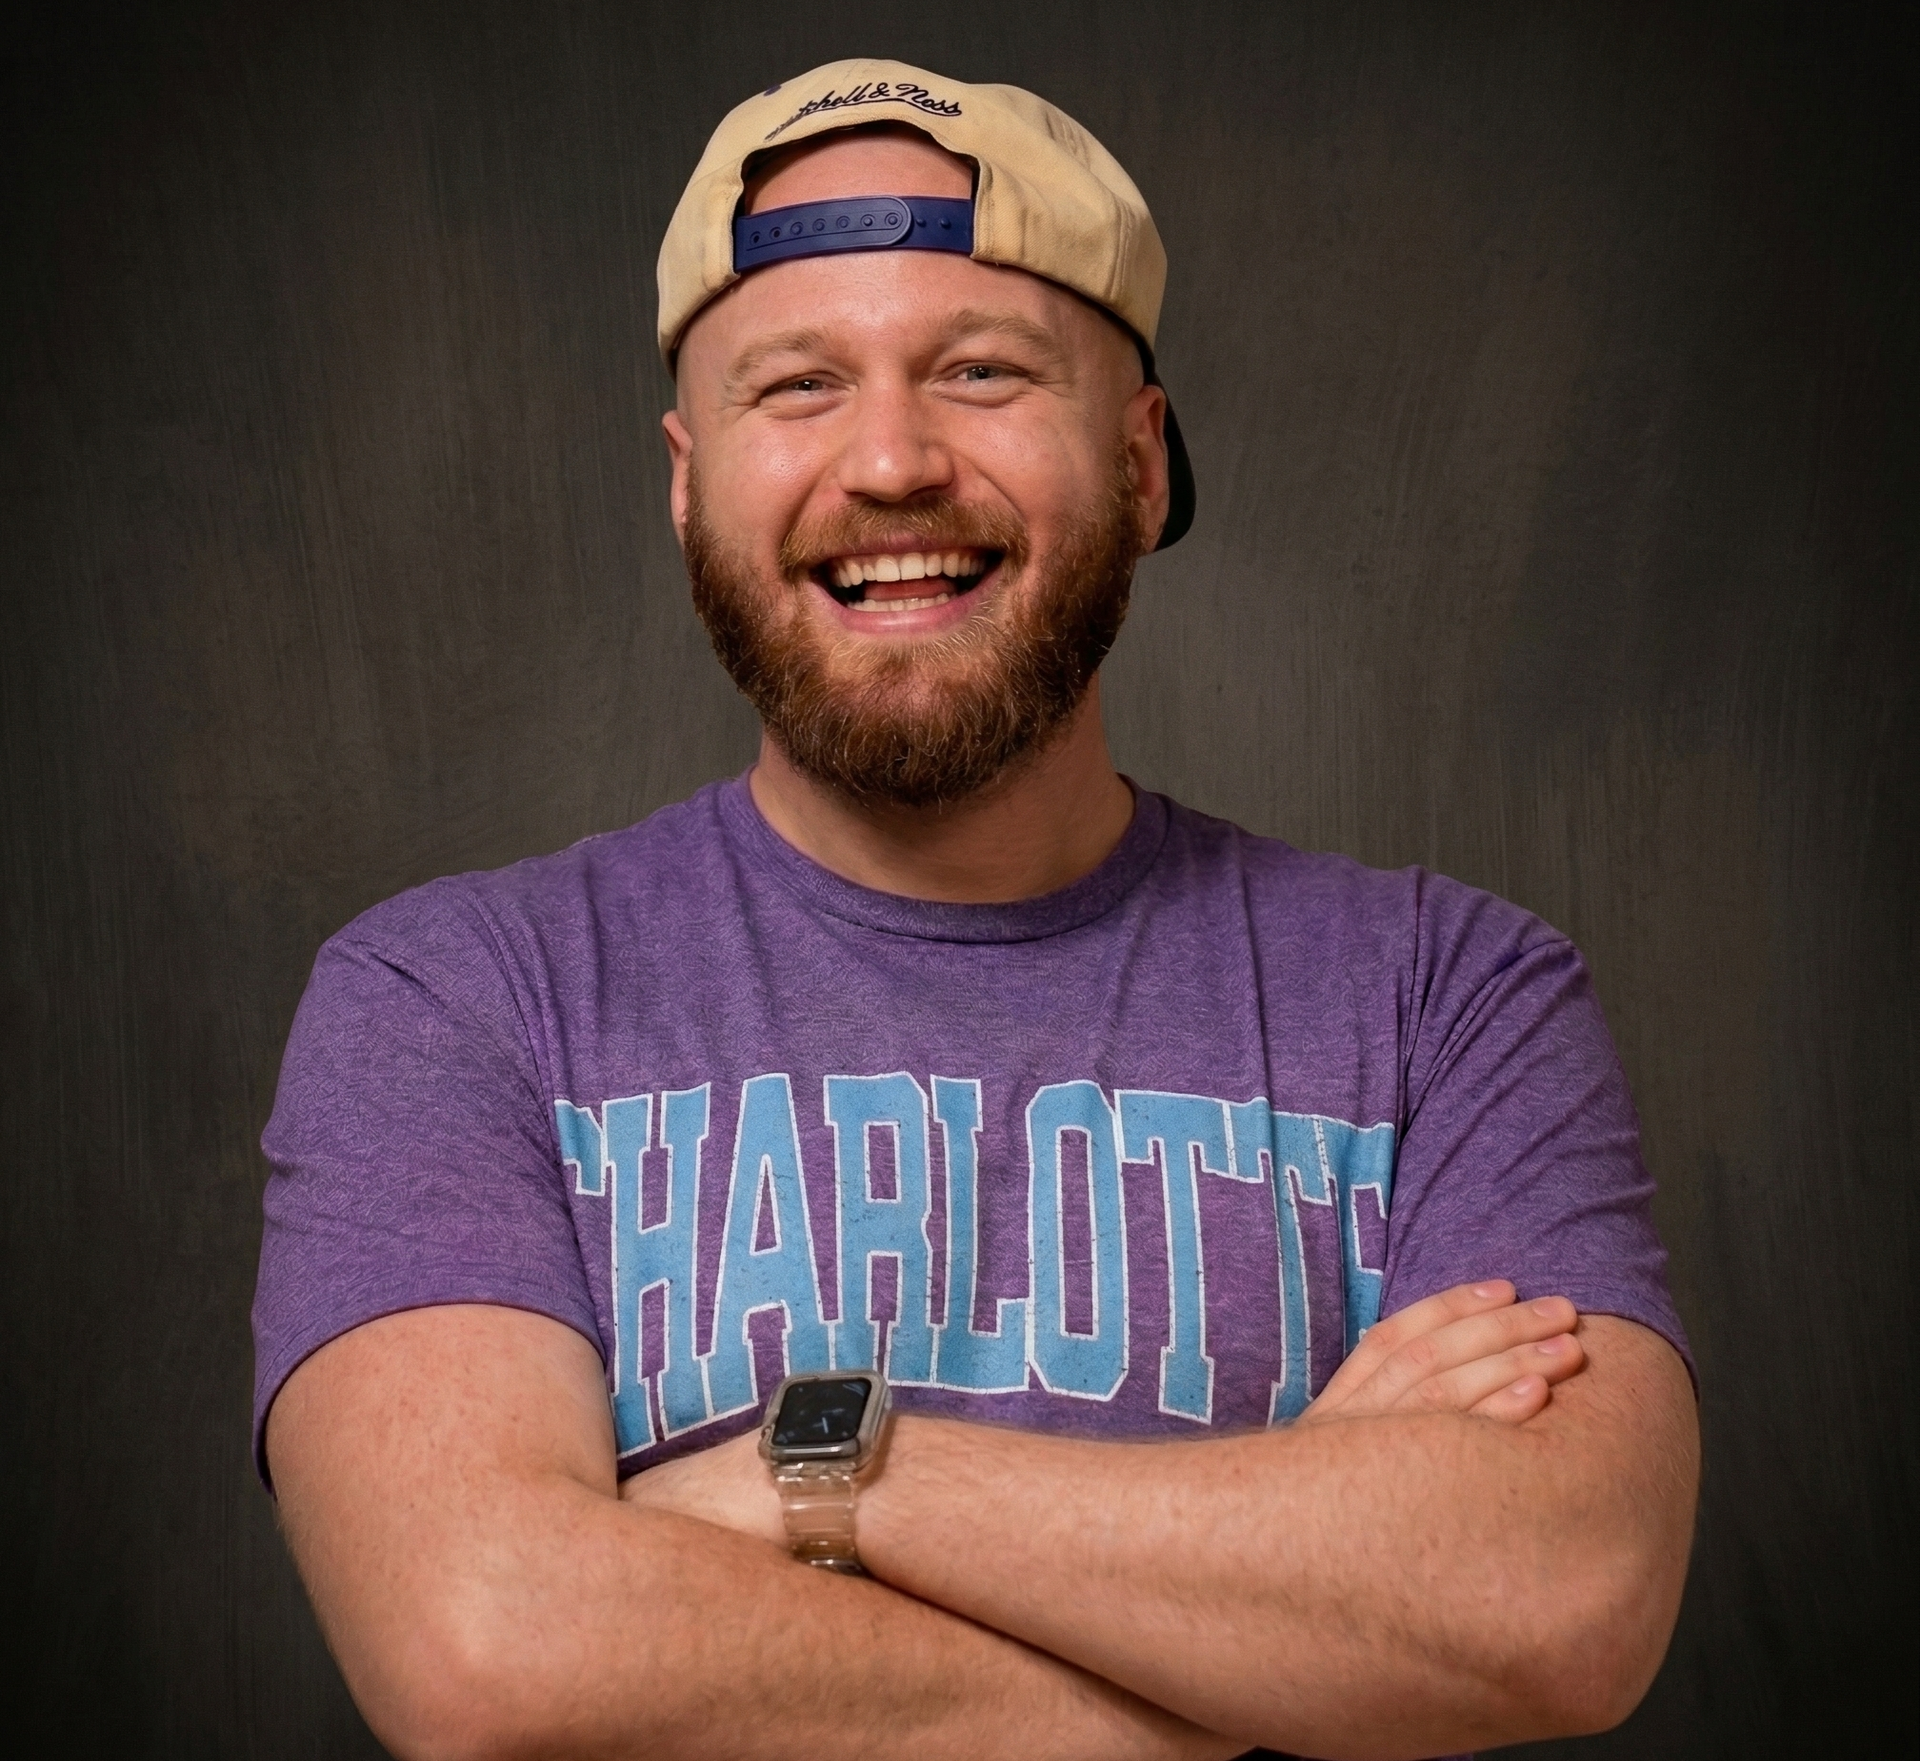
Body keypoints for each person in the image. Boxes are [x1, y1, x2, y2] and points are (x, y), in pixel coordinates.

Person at [253, 58, 1699, 1761]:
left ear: (1143, 462)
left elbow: (1555, 1603)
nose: (887, 461)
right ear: (685, 475)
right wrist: (1272, 1618)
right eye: (794, 386)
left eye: (982, 372)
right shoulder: (456, 998)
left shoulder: (1450, 998)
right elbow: (489, 1648)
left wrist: (823, 1475)